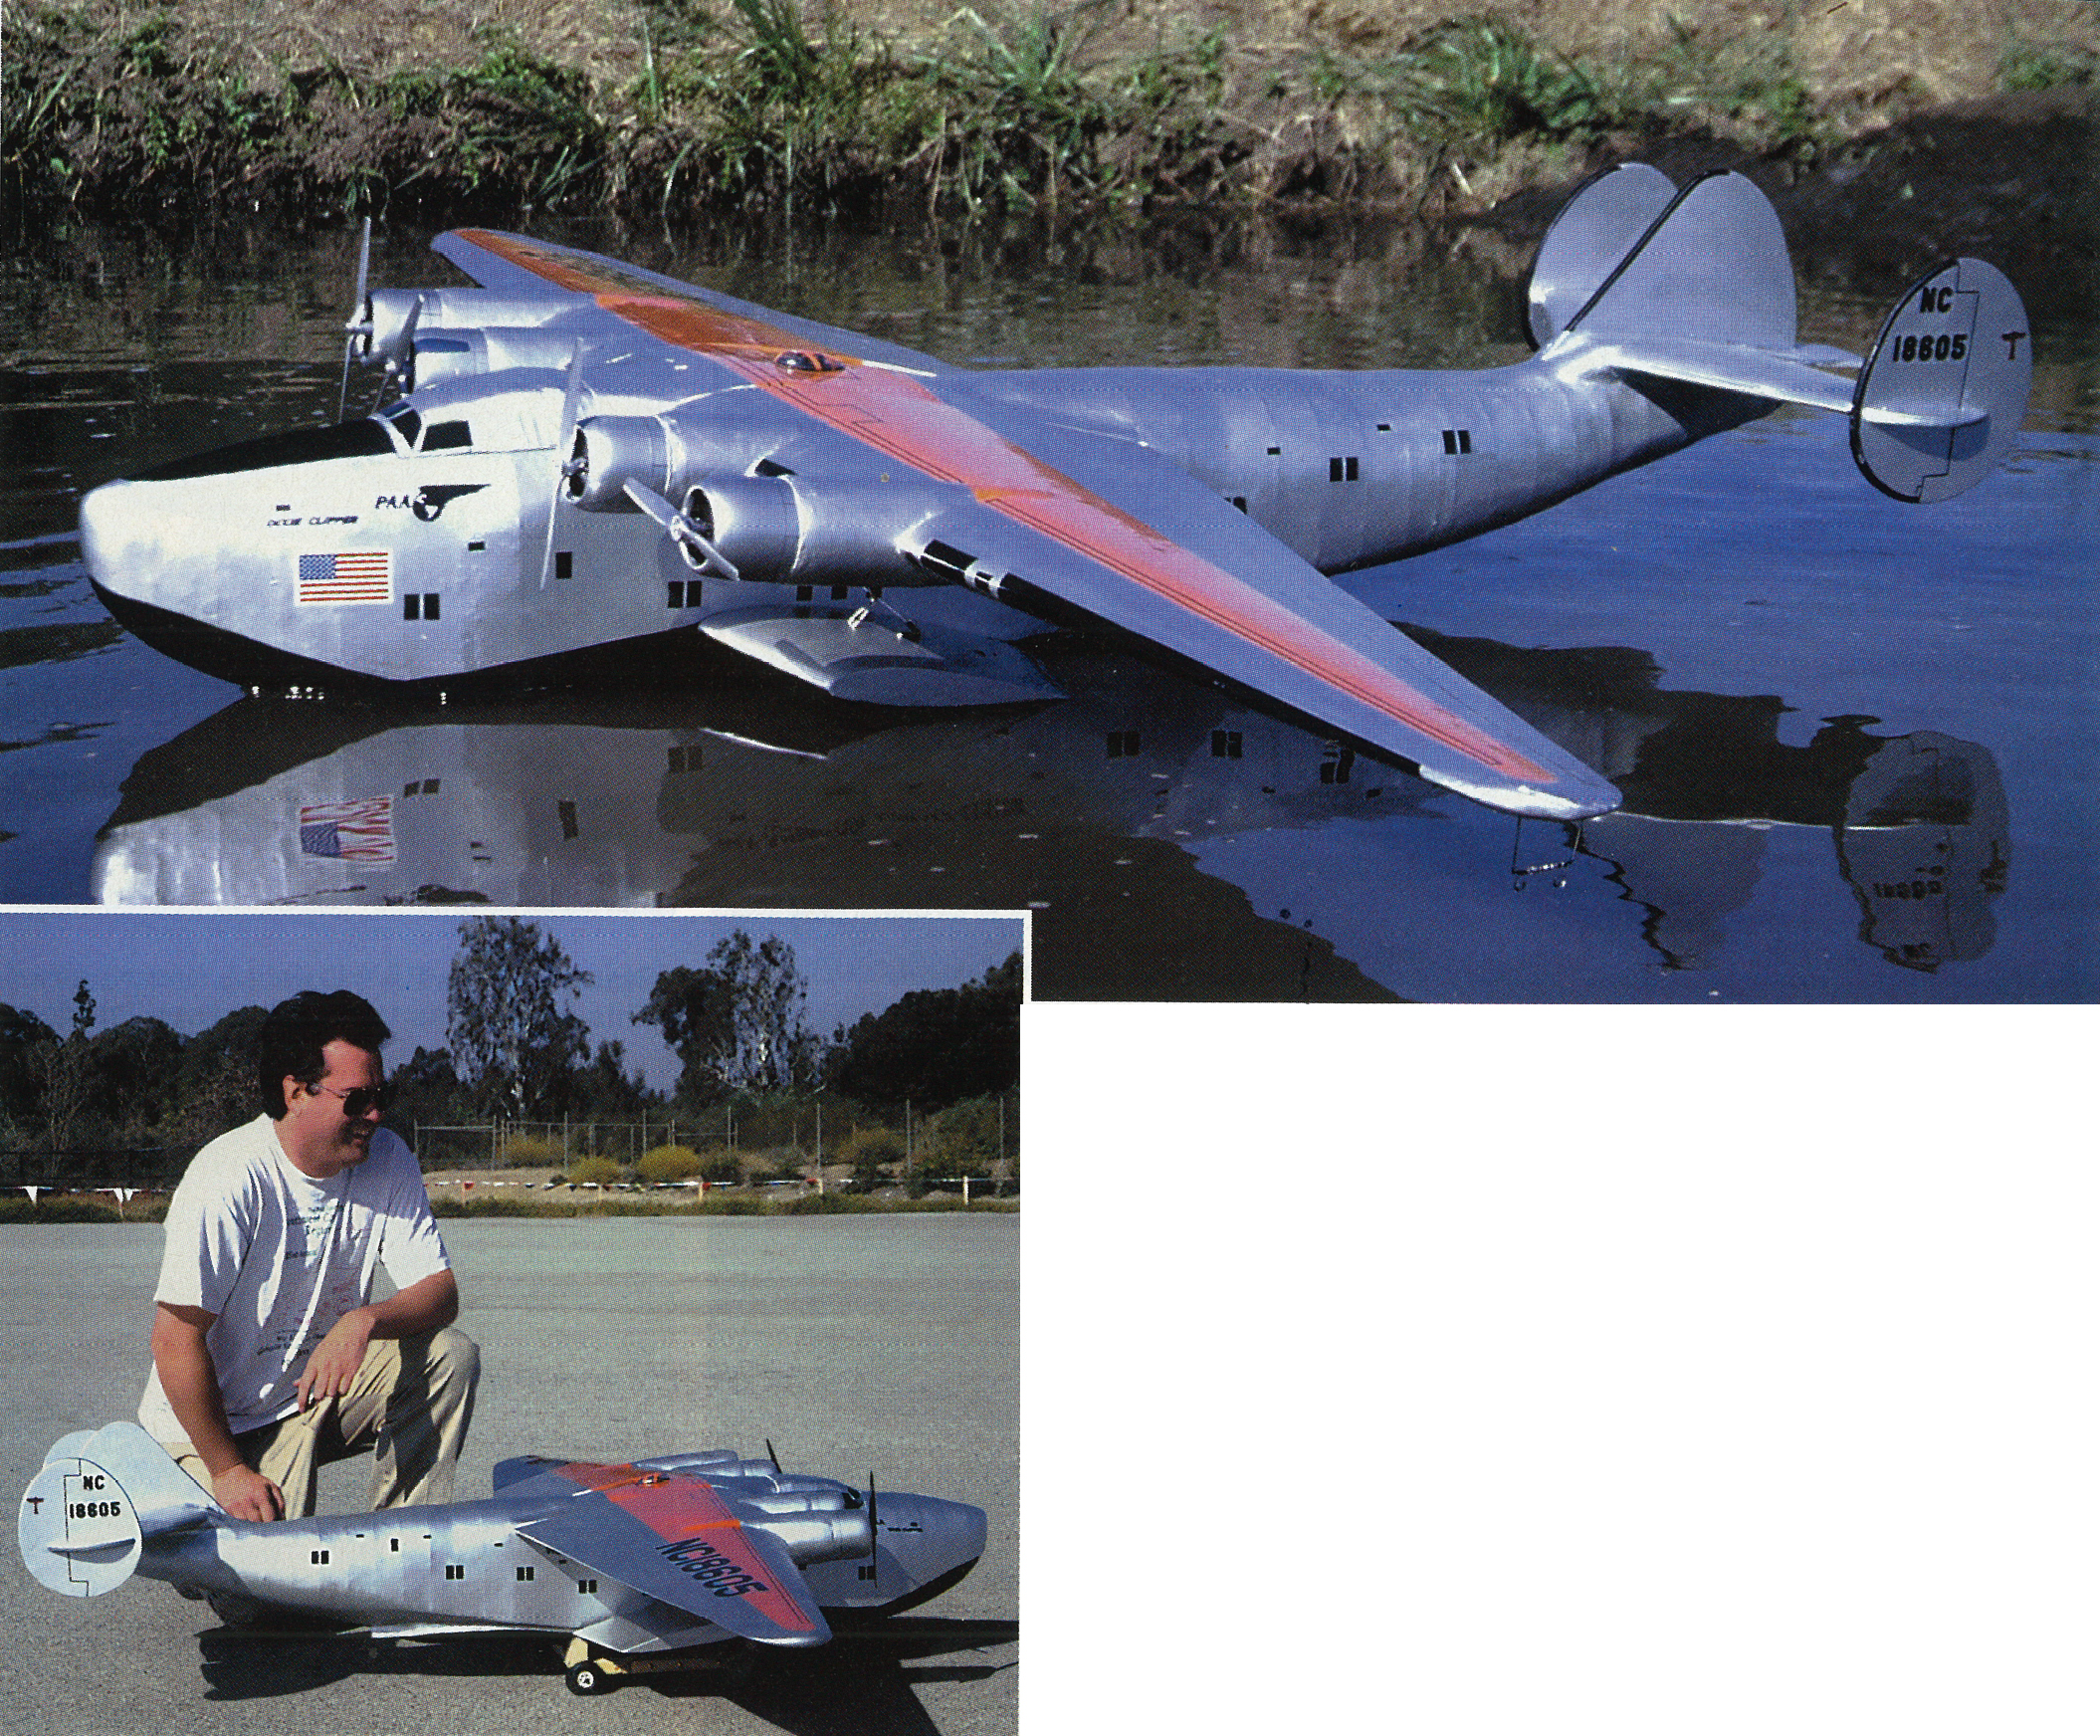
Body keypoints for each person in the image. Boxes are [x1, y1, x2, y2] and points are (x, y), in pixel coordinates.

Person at [139, 989, 478, 1522]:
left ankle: (407, 1538)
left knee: (447, 1356)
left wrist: (364, 1319)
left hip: (305, 1403)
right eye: (357, 1098)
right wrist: (229, 1473)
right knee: (268, 1604)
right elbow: (174, 1339)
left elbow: (441, 1292)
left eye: (381, 1095)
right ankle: (188, 1509)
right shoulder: (229, 1175)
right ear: (295, 1091)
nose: (376, 1112)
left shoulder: (387, 1158)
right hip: (210, 1429)